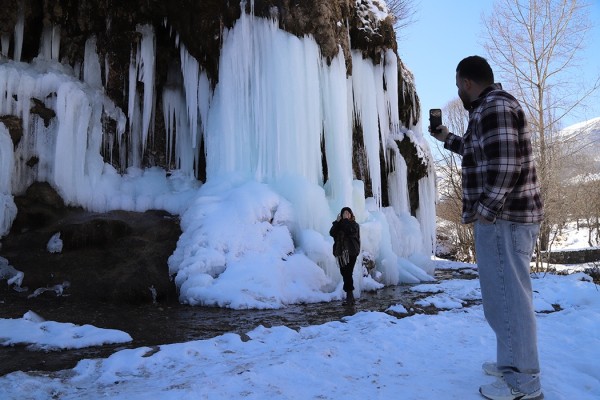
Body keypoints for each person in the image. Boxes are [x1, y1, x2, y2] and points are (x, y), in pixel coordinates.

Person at [429, 55, 544, 400]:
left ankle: (523, 383)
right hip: (504, 218)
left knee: (508, 299)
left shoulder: (494, 107)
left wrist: (485, 211)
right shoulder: (488, 109)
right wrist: (446, 137)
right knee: (503, 298)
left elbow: (507, 166)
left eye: (457, 85)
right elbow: (478, 153)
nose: (458, 92)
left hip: (504, 219)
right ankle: (511, 364)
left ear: (466, 82)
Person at [329, 207, 360, 305]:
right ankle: (350, 296)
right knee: (344, 273)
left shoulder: (354, 225)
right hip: (341, 252)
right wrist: (337, 223)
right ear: (341, 215)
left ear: (351, 215)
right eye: (344, 213)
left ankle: (349, 297)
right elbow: (332, 233)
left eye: (348, 213)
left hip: (351, 251)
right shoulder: (339, 225)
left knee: (348, 273)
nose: (346, 214)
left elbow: (349, 231)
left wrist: (345, 220)